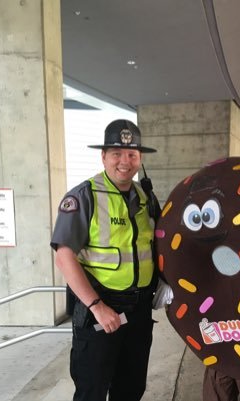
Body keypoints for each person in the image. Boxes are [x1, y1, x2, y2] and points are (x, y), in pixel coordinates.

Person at [50, 119, 160, 401]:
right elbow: (64, 256)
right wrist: (97, 307)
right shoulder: (84, 196)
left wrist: (163, 283)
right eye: (116, 154)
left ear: (140, 158)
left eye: (132, 154)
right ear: (103, 156)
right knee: (92, 390)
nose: (125, 161)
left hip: (138, 313)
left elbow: (156, 244)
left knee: (131, 389)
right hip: (101, 312)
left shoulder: (146, 196)